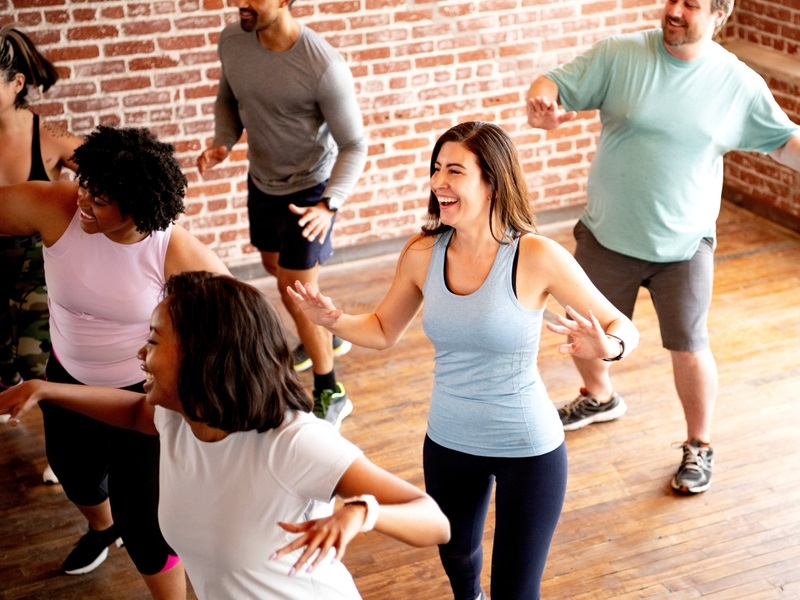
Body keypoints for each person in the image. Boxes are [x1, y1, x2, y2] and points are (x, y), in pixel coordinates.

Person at [287, 121, 639, 600]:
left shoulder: (535, 255)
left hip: (528, 447)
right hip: (449, 440)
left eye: (454, 170)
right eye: (436, 169)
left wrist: (610, 347)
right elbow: (384, 329)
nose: (438, 183)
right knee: (458, 562)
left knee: (516, 590)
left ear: (492, 181)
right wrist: (333, 320)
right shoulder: (422, 252)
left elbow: (624, 326)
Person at [0, 270, 451, 600]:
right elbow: (135, 412)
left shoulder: (292, 443)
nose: (141, 353)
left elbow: (434, 520)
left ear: (203, 358)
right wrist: (45, 389)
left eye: (154, 341)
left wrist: (360, 514)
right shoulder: (179, 418)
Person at [526, 0, 800, 495]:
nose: (674, 10)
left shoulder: (736, 84)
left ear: (720, 15)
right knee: (581, 328)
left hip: (685, 245)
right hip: (608, 235)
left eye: (690, 4)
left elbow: (783, 141)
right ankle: (600, 396)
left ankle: (700, 443)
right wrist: (542, 105)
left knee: (689, 347)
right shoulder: (620, 54)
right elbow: (552, 84)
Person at [0, 125, 229, 598]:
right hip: (68, 380)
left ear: (137, 207)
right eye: (86, 186)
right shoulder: (58, 206)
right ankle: (103, 528)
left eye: (100, 200)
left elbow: (240, 325)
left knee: (143, 518)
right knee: (75, 475)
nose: (83, 200)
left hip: (143, 396)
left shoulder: (173, 250)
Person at [196, 0, 367, 427]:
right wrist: (224, 140)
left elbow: (354, 146)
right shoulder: (233, 40)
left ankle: (331, 390)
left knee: (297, 292)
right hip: (263, 181)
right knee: (273, 265)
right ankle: (318, 342)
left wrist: (329, 206)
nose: (240, 3)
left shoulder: (323, 66)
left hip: (310, 191)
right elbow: (228, 98)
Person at [0, 25, 83, 391]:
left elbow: (118, 174)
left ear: (17, 83)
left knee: (38, 366)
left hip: (38, 269)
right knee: (4, 370)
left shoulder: (49, 137)